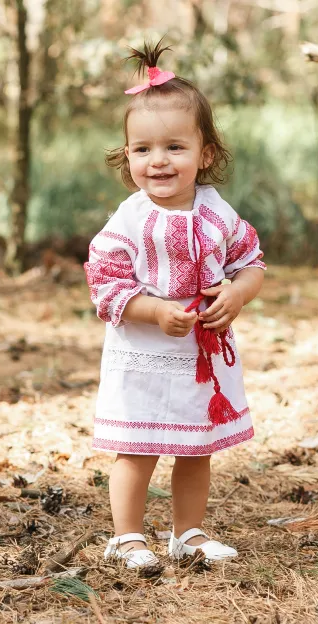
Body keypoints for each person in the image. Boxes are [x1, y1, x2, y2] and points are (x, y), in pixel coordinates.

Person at [84, 41, 266, 568]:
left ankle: (188, 531)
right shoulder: (130, 219)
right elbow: (107, 283)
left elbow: (251, 261)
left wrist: (235, 293)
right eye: (142, 149)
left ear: (205, 153)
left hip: (200, 358)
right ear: (127, 156)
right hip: (142, 353)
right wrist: (153, 310)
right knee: (136, 449)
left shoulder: (217, 212)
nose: (157, 160)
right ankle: (128, 536)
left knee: (196, 448)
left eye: (174, 147)